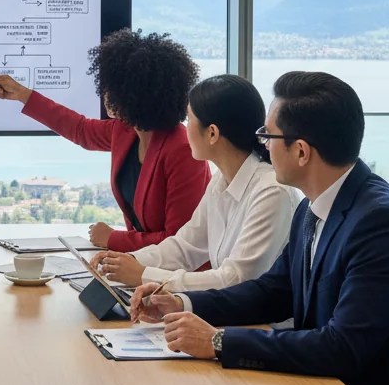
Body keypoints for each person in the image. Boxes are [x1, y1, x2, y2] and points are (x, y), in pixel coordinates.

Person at [134, 71, 389, 385]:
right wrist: (183, 303)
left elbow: (342, 346)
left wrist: (218, 341)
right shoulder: (314, 207)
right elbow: (274, 291)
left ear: (301, 151)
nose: (262, 144)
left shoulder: (382, 225)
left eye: (268, 135)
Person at [0, 29, 210, 251]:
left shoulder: (183, 151)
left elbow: (181, 243)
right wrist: (20, 93)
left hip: (179, 279)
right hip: (144, 268)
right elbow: (79, 129)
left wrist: (113, 239)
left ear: (131, 93)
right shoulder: (125, 131)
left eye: (110, 87)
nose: (104, 94)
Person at [93, 74, 295, 291]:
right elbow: (185, 247)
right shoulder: (221, 180)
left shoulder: (271, 192)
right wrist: (124, 262)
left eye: (189, 119)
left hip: (263, 323)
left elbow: (237, 279)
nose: (184, 128)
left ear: (212, 133)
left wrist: (144, 275)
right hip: (231, 314)